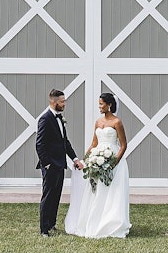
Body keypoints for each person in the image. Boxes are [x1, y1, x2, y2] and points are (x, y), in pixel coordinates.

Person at [64, 92, 131, 238]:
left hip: (113, 161)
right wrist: (83, 160)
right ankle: (95, 221)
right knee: (96, 192)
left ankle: (111, 223)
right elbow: (94, 144)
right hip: (97, 160)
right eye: (99, 104)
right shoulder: (98, 122)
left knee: (112, 193)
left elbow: (123, 145)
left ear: (109, 105)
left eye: (101, 104)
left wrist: (113, 163)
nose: (99, 107)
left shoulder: (117, 122)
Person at [35, 88, 84, 237]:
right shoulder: (45, 119)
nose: (65, 104)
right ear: (54, 102)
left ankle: (51, 224)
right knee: (48, 196)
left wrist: (75, 159)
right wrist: (47, 164)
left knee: (56, 196)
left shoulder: (60, 118)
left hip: (60, 164)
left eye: (64, 101)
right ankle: (44, 229)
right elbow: (39, 144)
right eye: (62, 101)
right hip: (50, 166)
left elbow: (65, 142)